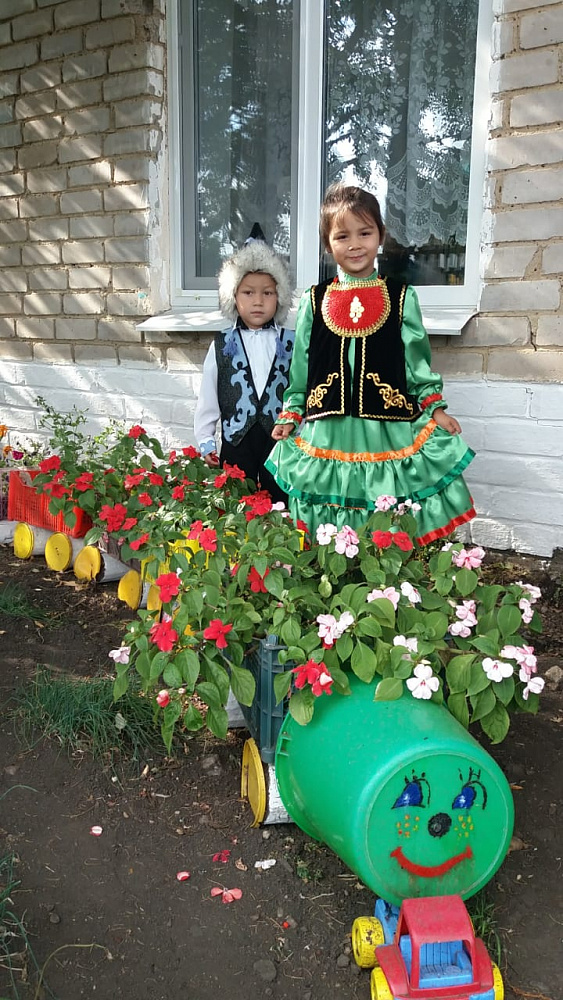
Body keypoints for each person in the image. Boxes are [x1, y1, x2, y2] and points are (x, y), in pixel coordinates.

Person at [266, 184, 475, 543]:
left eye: (364, 233)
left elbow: (416, 363)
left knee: (383, 500)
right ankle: (334, 561)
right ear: (328, 244)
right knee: (331, 497)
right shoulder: (314, 301)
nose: (355, 244)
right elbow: (302, 368)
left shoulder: (401, 297)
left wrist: (435, 407)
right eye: (342, 236)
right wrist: (292, 412)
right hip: (328, 426)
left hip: (385, 425)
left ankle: (383, 563)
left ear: (381, 235)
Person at [194, 234, 295, 505]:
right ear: (233, 297)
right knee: (236, 504)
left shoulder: (291, 342)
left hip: (281, 444)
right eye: (248, 292)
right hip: (236, 441)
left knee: (281, 502)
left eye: (268, 293)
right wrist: (206, 439)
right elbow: (208, 396)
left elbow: (301, 390)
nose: (258, 301)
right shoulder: (222, 343)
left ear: (280, 297)